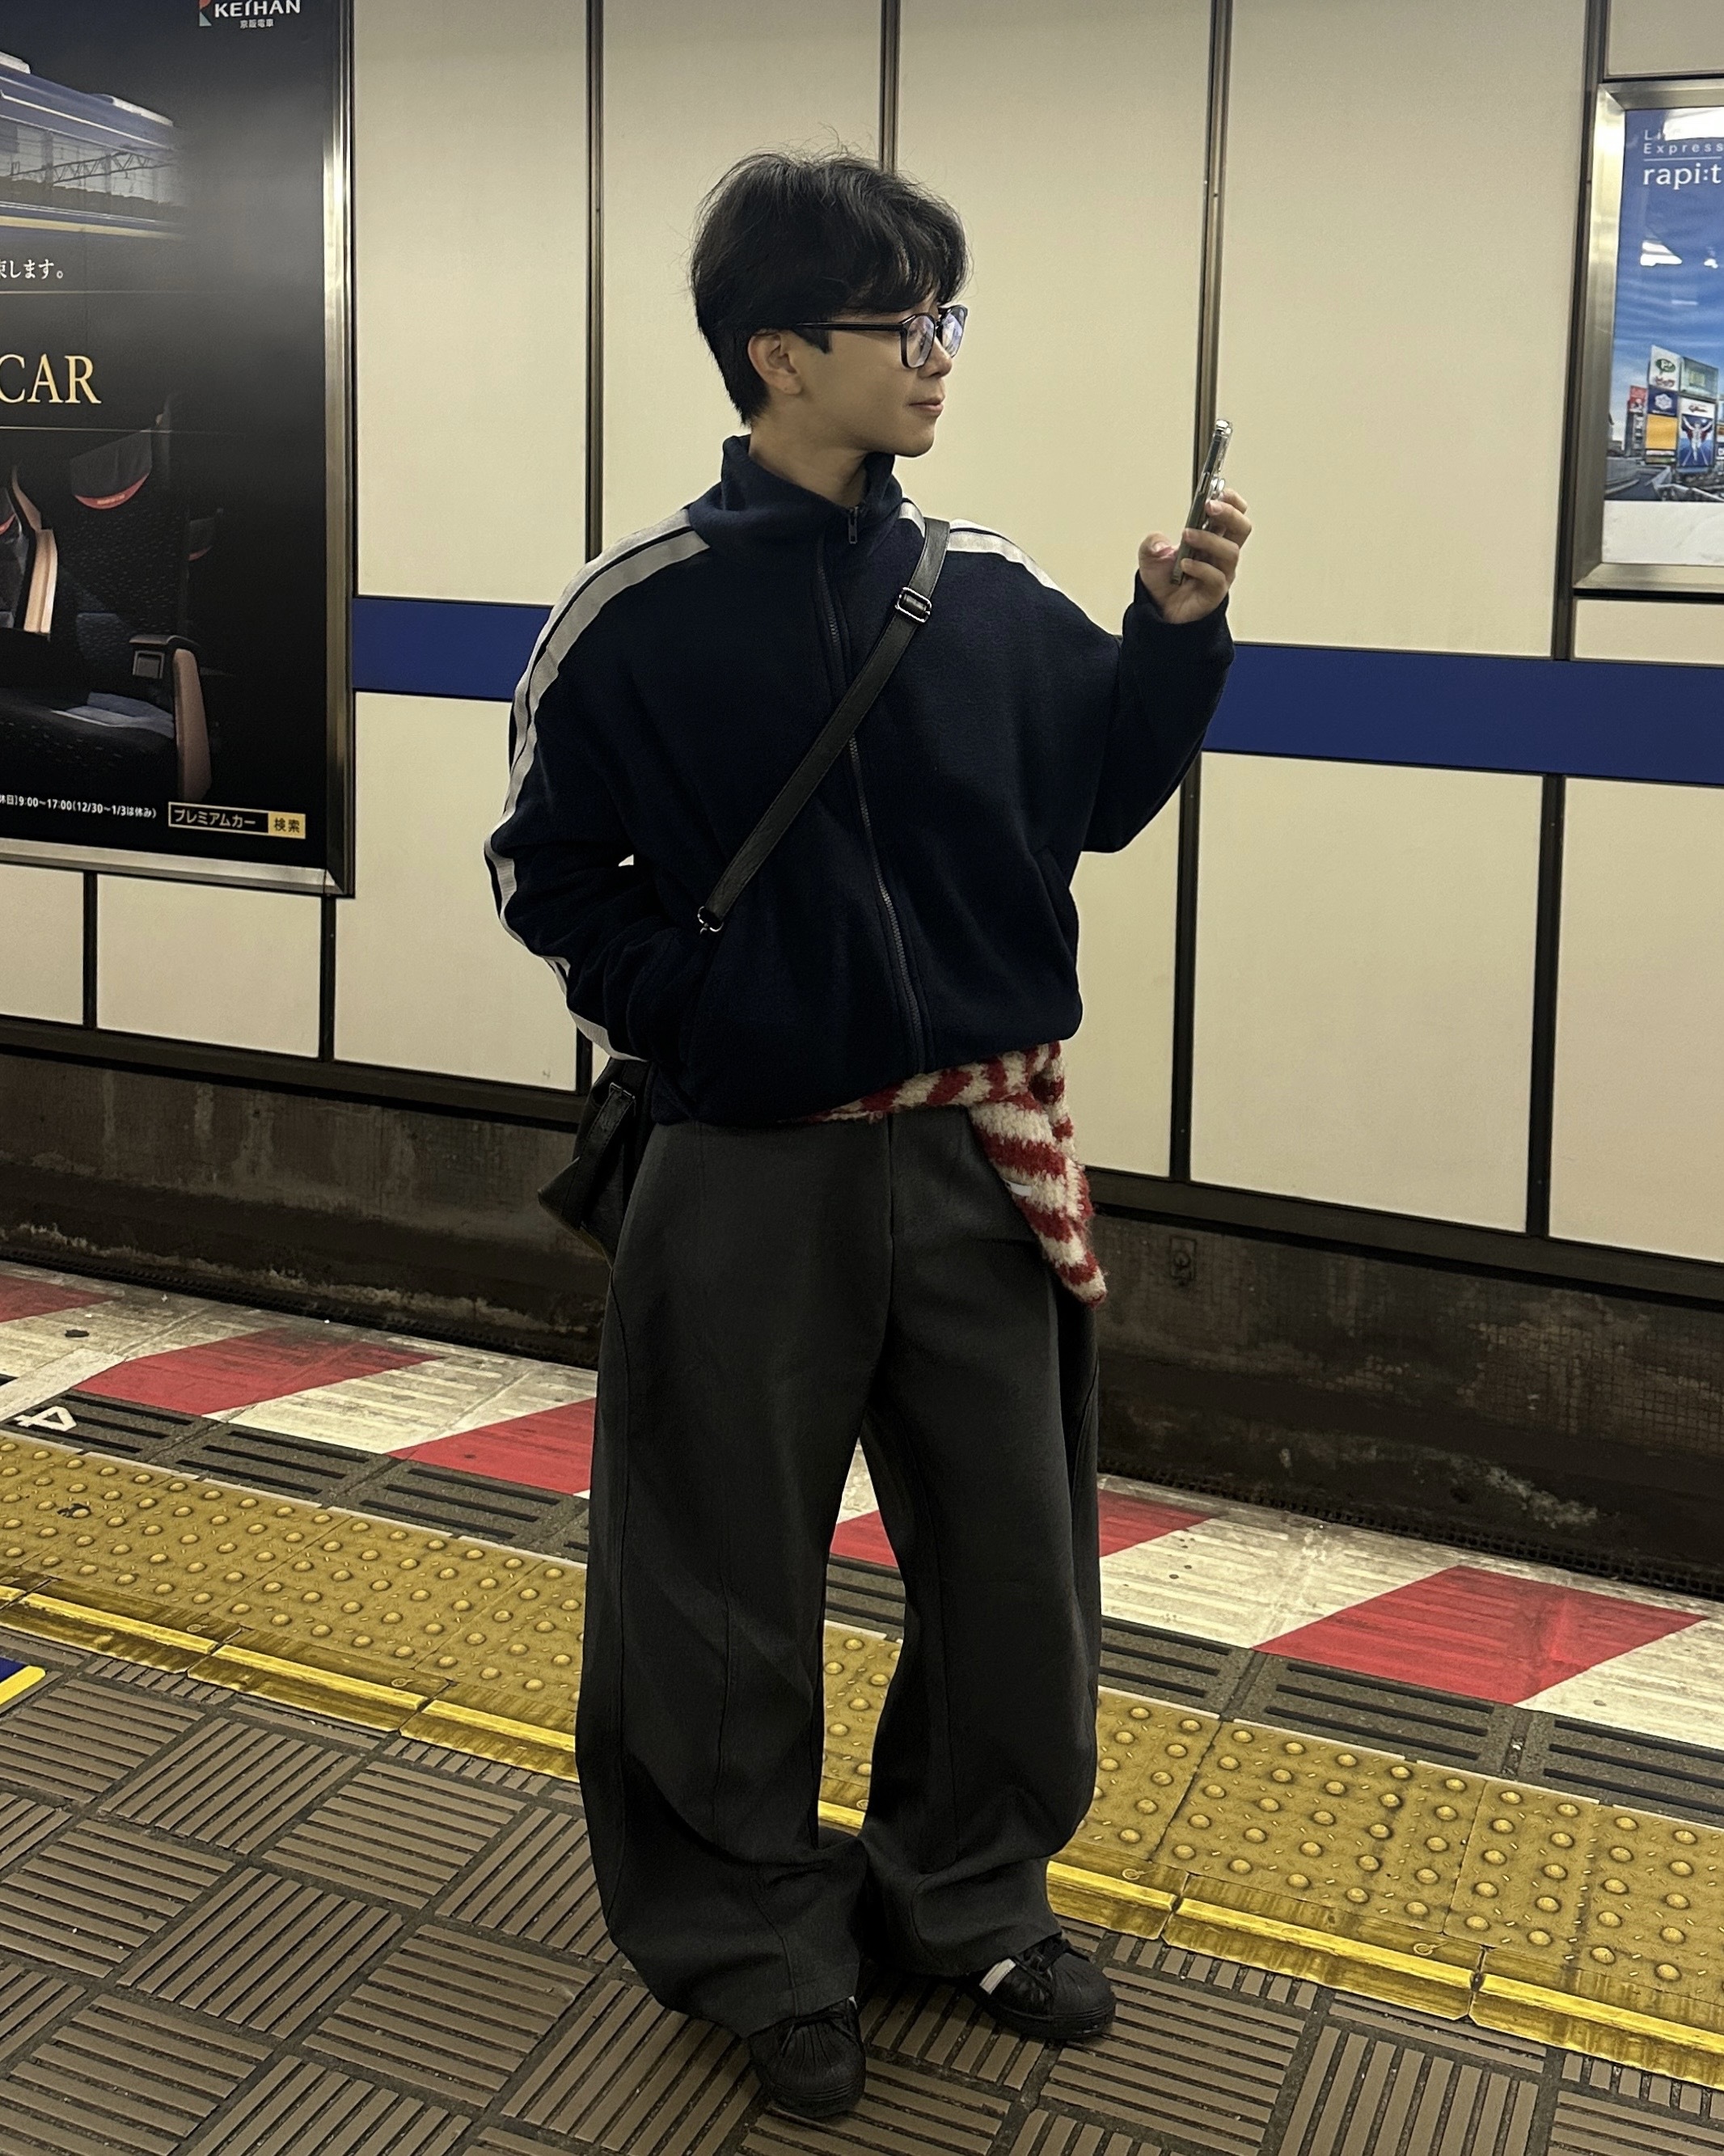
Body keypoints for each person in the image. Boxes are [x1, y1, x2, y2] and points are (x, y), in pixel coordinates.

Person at [487, 149, 1248, 2120]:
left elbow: (1094, 800)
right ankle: (755, 1936)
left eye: (944, 314)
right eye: (903, 320)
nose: (936, 353)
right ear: (775, 352)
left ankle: (965, 1890)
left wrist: (1169, 641)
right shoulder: (634, 618)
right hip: (746, 1158)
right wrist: (706, 1014)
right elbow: (544, 870)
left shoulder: (984, 594)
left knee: (1011, 1559)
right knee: (715, 1575)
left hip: (981, 1147)